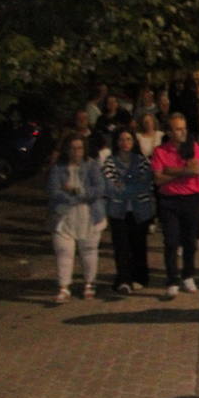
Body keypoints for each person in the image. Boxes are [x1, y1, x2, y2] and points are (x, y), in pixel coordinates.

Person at [150, 112, 199, 297]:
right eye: (178, 129)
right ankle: (172, 279)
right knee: (171, 241)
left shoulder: (193, 147)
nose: (182, 132)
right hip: (169, 200)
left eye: (184, 128)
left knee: (189, 241)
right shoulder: (160, 151)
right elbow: (158, 179)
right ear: (169, 132)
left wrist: (170, 171)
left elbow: (196, 170)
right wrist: (184, 171)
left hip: (191, 198)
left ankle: (188, 275)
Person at [48, 133, 107, 302]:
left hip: (89, 215)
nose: (76, 152)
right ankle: (64, 287)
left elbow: (99, 189)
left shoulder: (92, 165)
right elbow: (53, 191)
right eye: (73, 148)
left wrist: (75, 191)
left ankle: (89, 283)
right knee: (64, 251)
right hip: (64, 215)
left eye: (79, 148)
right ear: (67, 150)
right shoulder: (58, 168)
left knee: (89, 250)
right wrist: (73, 197)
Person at [102, 129, 155, 294]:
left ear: (134, 141)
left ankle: (140, 277)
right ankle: (124, 279)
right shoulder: (110, 162)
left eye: (128, 139)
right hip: (118, 211)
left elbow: (145, 184)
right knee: (121, 246)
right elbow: (109, 186)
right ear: (116, 142)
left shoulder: (142, 161)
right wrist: (131, 186)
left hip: (139, 210)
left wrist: (123, 186)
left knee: (138, 245)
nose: (125, 143)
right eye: (121, 139)